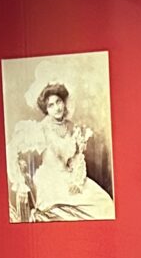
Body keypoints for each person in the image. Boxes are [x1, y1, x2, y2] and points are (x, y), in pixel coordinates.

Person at [9, 82, 114, 221]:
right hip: (49, 181)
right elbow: (11, 149)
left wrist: (76, 181)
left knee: (105, 203)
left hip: (69, 178)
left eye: (58, 101)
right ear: (46, 109)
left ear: (64, 102)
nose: (57, 108)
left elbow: (76, 159)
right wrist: (20, 183)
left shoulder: (72, 127)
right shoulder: (41, 129)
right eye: (50, 105)